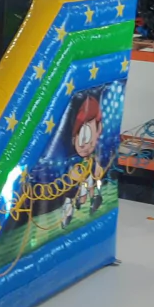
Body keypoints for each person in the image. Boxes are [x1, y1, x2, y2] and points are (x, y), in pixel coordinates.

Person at [61, 96, 105, 228]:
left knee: (89, 186)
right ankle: (70, 209)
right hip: (78, 182)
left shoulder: (90, 158)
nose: (85, 145)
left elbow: (95, 167)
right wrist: (75, 176)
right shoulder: (74, 160)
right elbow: (72, 174)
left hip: (85, 179)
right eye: (81, 139)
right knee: (79, 192)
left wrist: (97, 168)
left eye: (89, 138)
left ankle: (92, 199)